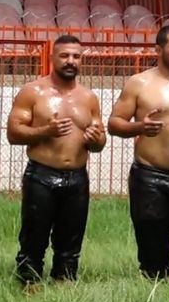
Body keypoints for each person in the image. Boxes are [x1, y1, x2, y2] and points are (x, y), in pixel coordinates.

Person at [7, 35, 105, 285]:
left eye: (76, 56)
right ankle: (29, 284)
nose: (70, 61)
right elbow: (14, 133)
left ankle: (64, 283)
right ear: (53, 58)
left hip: (77, 176)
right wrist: (45, 131)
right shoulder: (33, 92)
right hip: (42, 174)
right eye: (64, 56)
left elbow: (100, 142)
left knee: (71, 239)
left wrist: (95, 139)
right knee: (34, 237)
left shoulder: (89, 98)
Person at [108, 24, 169, 280]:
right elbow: (114, 123)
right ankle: (154, 288)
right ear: (159, 49)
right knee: (153, 245)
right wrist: (140, 126)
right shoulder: (139, 83)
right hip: (151, 175)